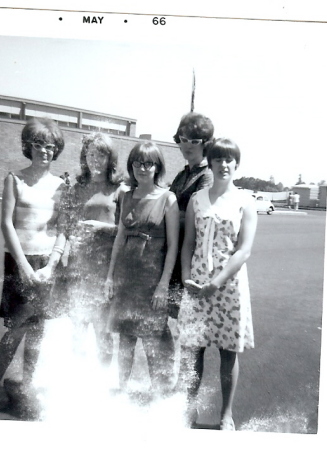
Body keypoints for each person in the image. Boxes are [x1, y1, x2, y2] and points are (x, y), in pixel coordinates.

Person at [177, 138, 257, 430]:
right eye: (218, 159)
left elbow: (244, 250)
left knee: (227, 352)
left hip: (229, 285)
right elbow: (188, 243)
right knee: (193, 350)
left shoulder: (245, 201)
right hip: (196, 284)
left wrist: (217, 282)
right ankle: (189, 411)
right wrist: (187, 275)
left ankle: (226, 414)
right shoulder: (198, 199)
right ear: (209, 162)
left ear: (236, 164)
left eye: (229, 160)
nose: (224, 165)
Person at [0, 118, 65, 410]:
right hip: (20, 261)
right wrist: (24, 266)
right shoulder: (14, 178)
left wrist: (51, 265)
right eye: (39, 144)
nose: (45, 150)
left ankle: (28, 385)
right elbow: (7, 225)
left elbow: (63, 229)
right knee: (16, 328)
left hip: (46, 262)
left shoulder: (61, 186)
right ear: (28, 146)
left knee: (38, 329)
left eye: (51, 146)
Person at [105, 142, 179, 395]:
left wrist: (163, 286)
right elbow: (119, 238)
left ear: (158, 167)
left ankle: (158, 396)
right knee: (125, 340)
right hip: (126, 278)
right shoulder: (126, 195)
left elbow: (172, 247)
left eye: (148, 163)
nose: (142, 168)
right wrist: (110, 277)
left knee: (152, 342)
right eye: (137, 162)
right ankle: (121, 390)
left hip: (151, 281)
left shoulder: (168, 199)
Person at [51, 132, 124, 366]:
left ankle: (102, 381)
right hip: (78, 266)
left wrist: (101, 227)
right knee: (78, 326)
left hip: (105, 270)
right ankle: (79, 378)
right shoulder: (76, 189)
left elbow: (126, 232)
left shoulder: (120, 190)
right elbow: (65, 227)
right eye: (91, 154)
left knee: (103, 330)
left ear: (110, 159)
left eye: (101, 155)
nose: (96, 159)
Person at [168, 112, 214, 318]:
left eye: (195, 141)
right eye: (183, 139)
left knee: (190, 321)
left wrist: (172, 215)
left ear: (206, 144)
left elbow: (199, 218)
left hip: (194, 257)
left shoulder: (207, 175)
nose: (187, 145)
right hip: (175, 253)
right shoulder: (181, 175)